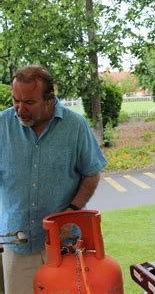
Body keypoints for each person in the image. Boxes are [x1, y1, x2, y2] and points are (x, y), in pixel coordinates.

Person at [0, 65, 107, 293]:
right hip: (18, 246)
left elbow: (91, 173)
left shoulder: (75, 126)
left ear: (50, 99)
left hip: (66, 247)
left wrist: (72, 210)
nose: (20, 109)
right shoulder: (2, 126)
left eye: (29, 102)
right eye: (15, 101)